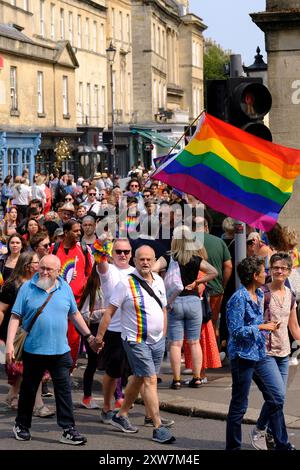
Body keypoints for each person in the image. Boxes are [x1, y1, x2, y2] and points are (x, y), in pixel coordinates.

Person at [5, 254, 97, 444]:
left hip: (60, 351)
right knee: (29, 390)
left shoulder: (65, 288)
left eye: (49, 269)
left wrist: (89, 335)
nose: (45, 272)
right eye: (42, 268)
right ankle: (21, 425)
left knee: (64, 391)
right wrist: (9, 345)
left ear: (57, 271)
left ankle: (68, 429)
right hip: (33, 350)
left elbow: (74, 314)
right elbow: (15, 316)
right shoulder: (27, 288)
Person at [96, 245, 176, 444]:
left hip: (157, 341)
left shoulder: (158, 280)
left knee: (140, 377)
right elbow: (110, 312)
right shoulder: (126, 284)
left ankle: (121, 415)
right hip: (135, 340)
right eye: (141, 259)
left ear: (154, 259)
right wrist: (99, 337)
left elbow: (164, 309)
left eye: (149, 259)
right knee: (150, 380)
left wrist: (163, 334)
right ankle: (158, 427)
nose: (145, 262)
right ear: (135, 261)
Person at [226, 255, 295, 450]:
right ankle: (233, 447)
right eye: (264, 270)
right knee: (239, 405)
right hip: (243, 357)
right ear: (255, 275)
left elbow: (254, 324)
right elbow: (236, 331)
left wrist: (267, 326)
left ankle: (282, 443)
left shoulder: (257, 294)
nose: (267, 273)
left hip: (259, 353)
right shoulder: (239, 298)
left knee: (276, 397)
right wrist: (263, 327)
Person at [153, 225, 217, 389]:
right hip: (194, 301)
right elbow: (214, 272)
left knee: (175, 344)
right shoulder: (196, 259)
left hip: (175, 301)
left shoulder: (168, 258)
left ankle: (176, 380)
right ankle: (196, 378)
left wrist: (162, 280)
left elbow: (152, 270)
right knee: (194, 342)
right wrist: (197, 282)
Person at [250, 252, 300, 450]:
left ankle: (269, 431)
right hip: (265, 352)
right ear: (270, 269)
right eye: (275, 267)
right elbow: (252, 322)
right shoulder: (262, 293)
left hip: (284, 352)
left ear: (289, 271)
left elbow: (294, 326)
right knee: (277, 396)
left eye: (283, 268)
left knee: (277, 397)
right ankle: (268, 433)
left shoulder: (290, 295)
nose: (279, 271)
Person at [95, 238, 135, 421]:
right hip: (114, 330)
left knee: (140, 373)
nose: (123, 255)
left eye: (126, 251)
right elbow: (100, 261)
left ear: (131, 253)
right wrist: (102, 243)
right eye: (118, 251)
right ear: (112, 254)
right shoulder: (107, 270)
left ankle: (149, 413)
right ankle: (106, 406)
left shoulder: (136, 272)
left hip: (134, 330)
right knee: (112, 373)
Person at [78, 263, 104, 409]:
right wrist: (103, 312)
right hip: (94, 329)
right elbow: (84, 314)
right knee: (93, 364)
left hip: (112, 329)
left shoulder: (115, 286)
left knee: (114, 364)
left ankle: (118, 397)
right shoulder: (93, 289)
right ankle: (87, 397)